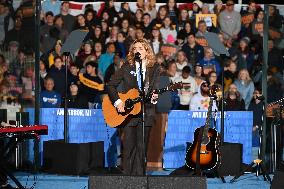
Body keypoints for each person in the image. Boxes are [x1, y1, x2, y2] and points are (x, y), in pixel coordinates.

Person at [106, 39, 160, 175]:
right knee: (129, 147)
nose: (137, 51)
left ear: (147, 51)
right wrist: (118, 103)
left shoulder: (154, 68)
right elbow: (111, 85)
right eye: (135, 48)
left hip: (146, 112)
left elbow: (154, 89)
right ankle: (127, 178)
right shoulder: (126, 67)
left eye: (141, 48)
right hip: (129, 113)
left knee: (141, 148)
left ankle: (139, 179)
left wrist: (154, 98)